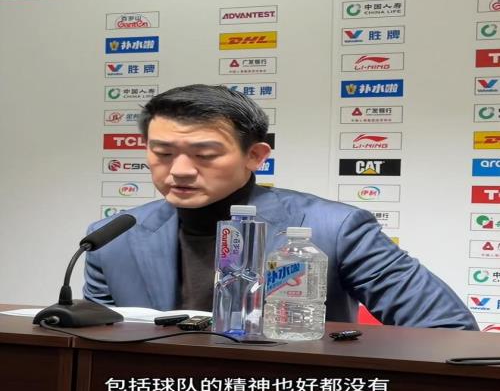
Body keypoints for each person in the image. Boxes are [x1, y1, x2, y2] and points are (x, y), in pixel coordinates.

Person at [84, 84, 478, 330]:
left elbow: (446, 329)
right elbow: (95, 340)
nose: (180, 170)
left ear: (255, 156)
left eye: (205, 154)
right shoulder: (112, 238)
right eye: (163, 153)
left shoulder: (334, 228)